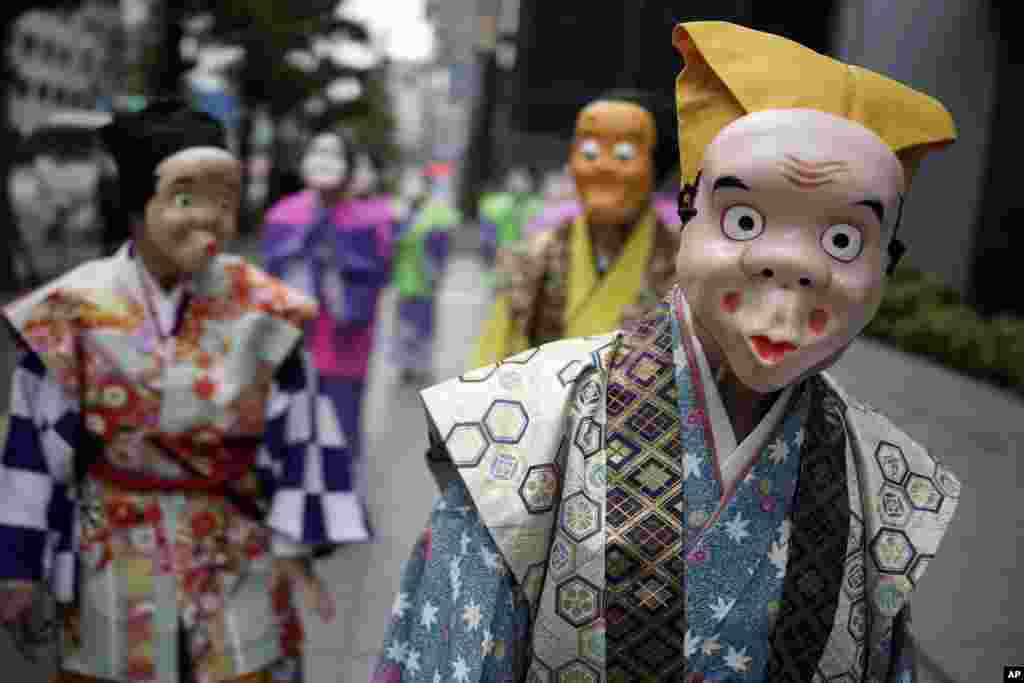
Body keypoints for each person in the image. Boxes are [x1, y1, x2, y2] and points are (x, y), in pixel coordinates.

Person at [373, 21, 962, 682]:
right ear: (689, 214)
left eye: (845, 240)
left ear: (890, 263)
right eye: (745, 219)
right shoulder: (515, 438)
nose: (791, 264)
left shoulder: (887, 482)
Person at [0, 99, 354, 683]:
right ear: (137, 206)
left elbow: (305, 438)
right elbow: (29, 452)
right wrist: (16, 570)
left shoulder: (268, 311)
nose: (211, 220)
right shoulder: (69, 312)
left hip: (237, 554)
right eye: (187, 199)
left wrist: (296, 549)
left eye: (224, 199)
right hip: (113, 556)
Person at [471, 89, 681, 368]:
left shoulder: (684, 268)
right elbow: (492, 365)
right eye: (590, 152)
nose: (603, 167)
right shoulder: (532, 258)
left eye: (623, 153)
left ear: (657, 165)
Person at [262, 128, 395, 476]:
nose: (324, 159)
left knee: (339, 428)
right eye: (317, 150)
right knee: (291, 427)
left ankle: (342, 500)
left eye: (334, 152)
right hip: (292, 345)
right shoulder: (283, 214)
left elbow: (379, 274)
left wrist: (337, 263)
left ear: (350, 166)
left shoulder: (371, 220)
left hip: (343, 348)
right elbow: (269, 280)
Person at [392, 165, 462, 386]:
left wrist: (438, 270)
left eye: (418, 184)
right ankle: (405, 363)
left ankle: (420, 363)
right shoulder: (399, 211)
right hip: (404, 276)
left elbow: (443, 243)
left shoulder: (436, 213)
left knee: (423, 322)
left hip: (426, 276)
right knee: (404, 321)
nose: (413, 189)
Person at [477, 167, 543, 289]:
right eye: (515, 180)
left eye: (522, 180)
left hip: (527, 263)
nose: (518, 184)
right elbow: (486, 241)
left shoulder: (538, 206)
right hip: (503, 261)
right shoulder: (492, 205)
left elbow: (543, 238)